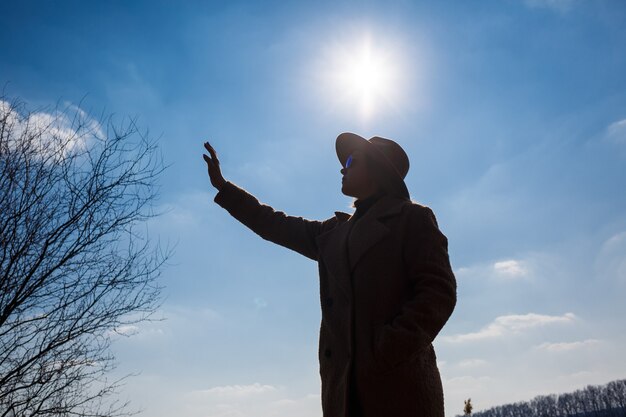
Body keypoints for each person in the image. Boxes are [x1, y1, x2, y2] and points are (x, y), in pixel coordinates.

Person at [202, 133, 457, 417]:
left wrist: (386, 350)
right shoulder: (332, 232)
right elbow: (274, 224)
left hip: (399, 392)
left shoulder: (412, 220)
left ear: (376, 170)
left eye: (351, 160)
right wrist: (224, 188)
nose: (342, 167)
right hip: (343, 396)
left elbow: (438, 292)